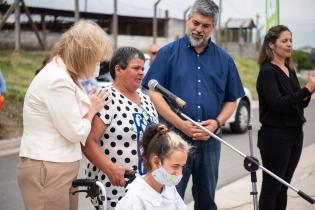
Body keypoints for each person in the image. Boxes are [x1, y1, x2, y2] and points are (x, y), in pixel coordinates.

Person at [142, 0, 245, 209]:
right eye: (195, 23)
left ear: (213, 27)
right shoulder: (167, 53)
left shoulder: (225, 60)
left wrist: (216, 123)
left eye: (205, 26)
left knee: (206, 199)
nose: (199, 29)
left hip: (210, 141)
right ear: (188, 20)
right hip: (172, 141)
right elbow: (154, 94)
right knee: (169, 197)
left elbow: (231, 100)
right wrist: (180, 125)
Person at [17, 20, 113, 210]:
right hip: (48, 167)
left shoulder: (66, 75)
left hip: (58, 166)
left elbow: (69, 114)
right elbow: (76, 131)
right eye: (96, 59)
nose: (98, 65)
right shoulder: (57, 80)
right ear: (83, 55)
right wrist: (93, 108)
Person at [82, 47, 159, 210]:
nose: (141, 73)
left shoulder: (147, 100)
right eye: (136, 68)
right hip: (115, 187)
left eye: (143, 69)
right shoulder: (106, 97)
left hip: (146, 187)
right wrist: (110, 169)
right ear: (118, 69)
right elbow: (88, 141)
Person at [256, 25, 315, 210]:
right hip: (275, 138)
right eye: (284, 41)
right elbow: (278, 104)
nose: (289, 44)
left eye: (291, 40)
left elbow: (298, 104)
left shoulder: (289, 69)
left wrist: (308, 92)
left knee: (284, 187)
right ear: (271, 45)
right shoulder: (267, 71)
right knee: (271, 189)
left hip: (295, 135)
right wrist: (307, 90)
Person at [115, 123, 190, 210]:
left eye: (182, 166)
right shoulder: (135, 199)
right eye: (175, 166)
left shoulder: (169, 188)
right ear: (156, 161)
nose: (180, 173)